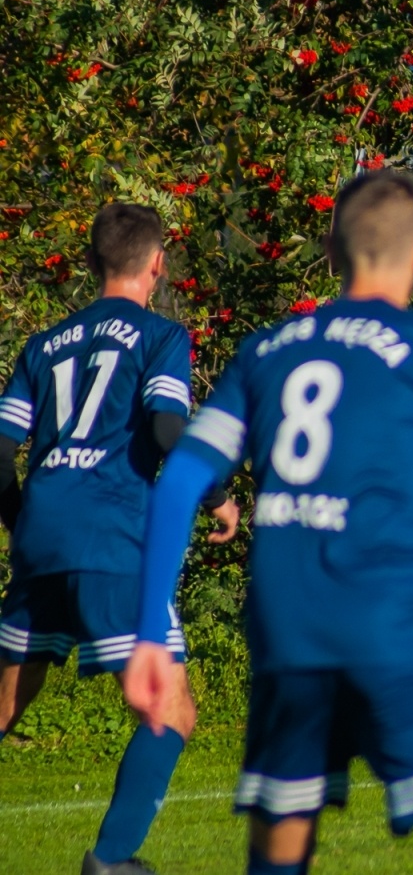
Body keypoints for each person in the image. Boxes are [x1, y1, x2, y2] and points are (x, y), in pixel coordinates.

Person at [121, 170, 413, 875]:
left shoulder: (268, 350)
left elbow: (180, 484)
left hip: (286, 628)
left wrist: (148, 640)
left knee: (281, 837)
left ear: (331, 249)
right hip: (389, 622)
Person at [0, 202, 240, 875]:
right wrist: (217, 495)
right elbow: (166, 430)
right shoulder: (160, 337)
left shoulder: (42, 345)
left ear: (90, 263)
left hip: (41, 536)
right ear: (158, 263)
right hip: (113, 540)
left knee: (7, 701)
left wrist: (26, 524)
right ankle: (111, 860)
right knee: (169, 708)